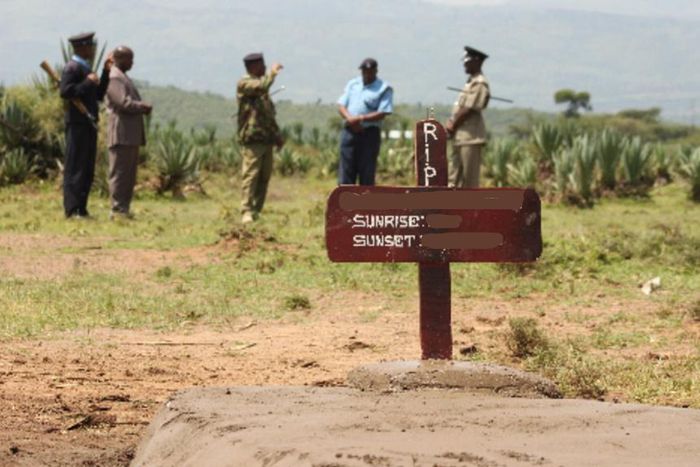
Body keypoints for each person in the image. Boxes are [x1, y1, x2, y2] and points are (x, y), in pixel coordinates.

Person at [59, 32, 112, 218]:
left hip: (89, 122)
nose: (92, 50)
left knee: (86, 167)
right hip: (77, 123)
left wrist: (105, 72)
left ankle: (82, 207)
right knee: (75, 166)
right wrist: (87, 82)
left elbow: (98, 95)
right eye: (89, 46)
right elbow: (65, 92)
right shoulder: (72, 68)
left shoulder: (86, 68)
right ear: (81, 47)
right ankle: (72, 209)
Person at [104, 46, 152, 219]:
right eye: (129, 59)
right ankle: (117, 210)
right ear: (120, 59)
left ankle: (123, 208)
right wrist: (142, 106)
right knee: (120, 173)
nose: (132, 63)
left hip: (129, 134)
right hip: (121, 132)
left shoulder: (121, 76)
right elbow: (122, 103)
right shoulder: (115, 77)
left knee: (128, 174)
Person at [236, 52, 284, 224]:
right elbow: (262, 86)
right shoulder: (245, 83)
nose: (264, 68)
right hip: (252, 138)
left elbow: (268, 115)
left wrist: (277, 135)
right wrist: (273, 73)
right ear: (253, 67)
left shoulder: (262, 90)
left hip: (266, 139)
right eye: (262, 65)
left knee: (264, 176)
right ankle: (246, 210)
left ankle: (256, 210)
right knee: (251, 175)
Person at [337, 58, 393, 185]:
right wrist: (351, 120)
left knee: (366, 172)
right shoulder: (353, 84)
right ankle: (345, 202)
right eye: (364, 71)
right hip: (349, 132)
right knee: (346, 171)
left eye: (370, 71)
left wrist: (360, 119)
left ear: (375, 71)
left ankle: (365, 203)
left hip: (369, 134)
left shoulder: (384, 88)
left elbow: (383, 112)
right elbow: (341, 105)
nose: (367, 74)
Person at [446, 46, 490, 188]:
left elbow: (469, 109)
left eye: (467, 61)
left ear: (476, 61)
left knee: (469, 181)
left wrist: (453, 123)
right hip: (459, 137)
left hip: (470, 138)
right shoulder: (470, 82)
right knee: (453, 179)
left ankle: (470, 210)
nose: (464, 64)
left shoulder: (479, 83)